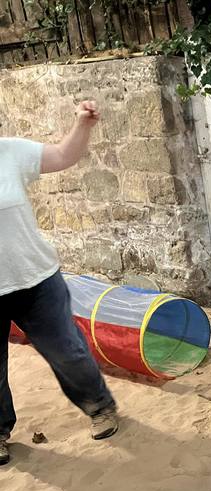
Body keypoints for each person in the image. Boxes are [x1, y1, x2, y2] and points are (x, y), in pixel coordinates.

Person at [0, 100, 119, 466]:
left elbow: (64, 155)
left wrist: (83, 124)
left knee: (68, 351)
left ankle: (99, 406)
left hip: (36, 280)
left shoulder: (10, 152)